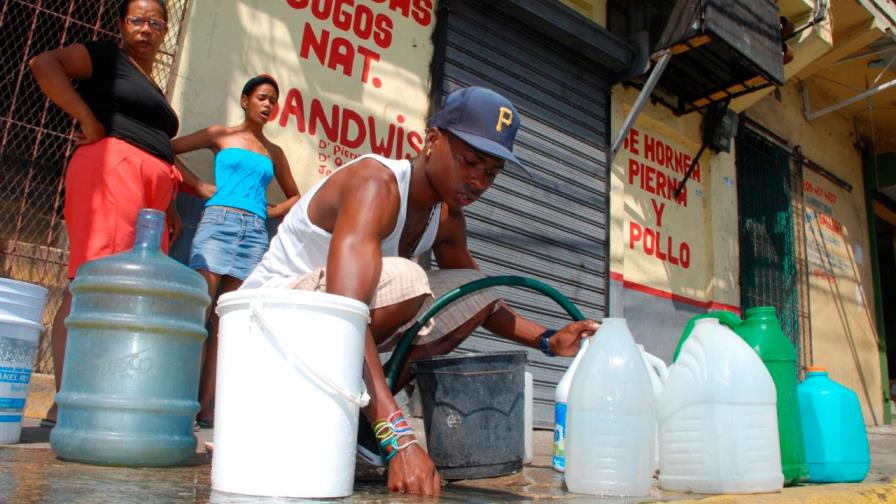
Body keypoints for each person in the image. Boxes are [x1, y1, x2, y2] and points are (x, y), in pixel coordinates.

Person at [241, 86, 599, 496]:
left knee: (468, 287)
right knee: (410, 281)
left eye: (492, 172)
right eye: (470, 161)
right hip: (265, 328)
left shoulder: (446, 218)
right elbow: (345, 310)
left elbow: (480, 298)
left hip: (322, 333)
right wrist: (400, 438)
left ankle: (359, 422)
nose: (479, 181)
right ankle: (376, 421)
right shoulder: (375, 183)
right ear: (431, 141)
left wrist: (549, 339)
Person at [28, 0, 181, 427]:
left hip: (151, 190)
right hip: (113, 171)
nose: (146, 29)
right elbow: (44, 64)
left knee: (134, 292)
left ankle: (102, 393)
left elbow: (158, 142)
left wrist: (169, 203)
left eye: (155, 22)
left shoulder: (147, 80)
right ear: (121, 24)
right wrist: (87, 119)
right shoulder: (106, 57)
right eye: (137, 20)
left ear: (165, 29)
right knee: (95, 281)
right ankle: (68, 399)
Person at [171, 74, 301, 427]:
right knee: (199, 310)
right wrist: (197, 185)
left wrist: (274, 211)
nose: (267, 104)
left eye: (273, 100)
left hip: (255, 234)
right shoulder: (220, 135)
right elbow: (167, 149)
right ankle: (178, 402)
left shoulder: (274, 153)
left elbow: (296, 195)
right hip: (217, 224)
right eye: (261, 97)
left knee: (226, 321)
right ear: (245, 101)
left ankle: (207, 407)